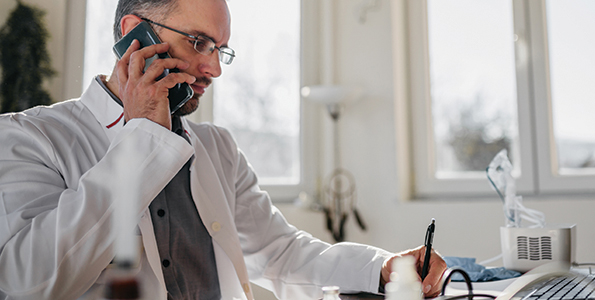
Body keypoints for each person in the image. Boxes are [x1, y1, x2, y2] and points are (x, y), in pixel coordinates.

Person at [0, 0, 447, 299]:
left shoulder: (217, 147)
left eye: (220, 50)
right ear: (134, 35)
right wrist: (142, 139)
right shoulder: (29, 138)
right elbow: (29, 283)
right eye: (199, 43)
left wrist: (383, 269)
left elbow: (280, 252)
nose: (213, 67)